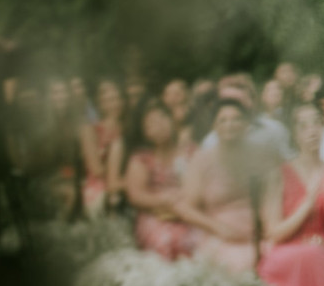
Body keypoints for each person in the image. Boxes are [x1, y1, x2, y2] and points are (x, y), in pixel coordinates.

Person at [257, 103, 324, 286]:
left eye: (317, 122)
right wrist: (307, 205)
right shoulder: (278, 174)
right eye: (303, 125)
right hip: (288, 246)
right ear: (294, 133)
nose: (312, 130)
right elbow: (273, 233)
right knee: (309, 255)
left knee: (320, 254)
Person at [175, 98, 269, 273]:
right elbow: (185, 208)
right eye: (223, 120)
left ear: (246, 123)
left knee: (278, 259)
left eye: (236, 119)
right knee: (242, 264)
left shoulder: (260, 154)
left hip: (261, 232)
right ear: (214, 126)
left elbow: (274, 193)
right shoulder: (202, 159)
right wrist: (219, 229)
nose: (230, 125)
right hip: (222, 235)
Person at [122, 100, 198, 260]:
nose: (160, 125)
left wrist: (186, 200)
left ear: (172, 121)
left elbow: (202, 183)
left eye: (163, 118)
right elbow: (136, 196)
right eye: (152, 124)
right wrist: (166, 200)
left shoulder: (190, 151)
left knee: (197, 239)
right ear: (145, 132)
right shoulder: (141, 158)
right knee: (167, 239)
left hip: (190, 209)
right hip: (155, 213)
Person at [80, 78, 126, 214]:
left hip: (122, 182)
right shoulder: (89, 130)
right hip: (97, 186)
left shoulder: (127, 128)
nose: (115, 104)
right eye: (109, 100)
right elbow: (96, 170)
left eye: (117, 99)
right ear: (101, 105)